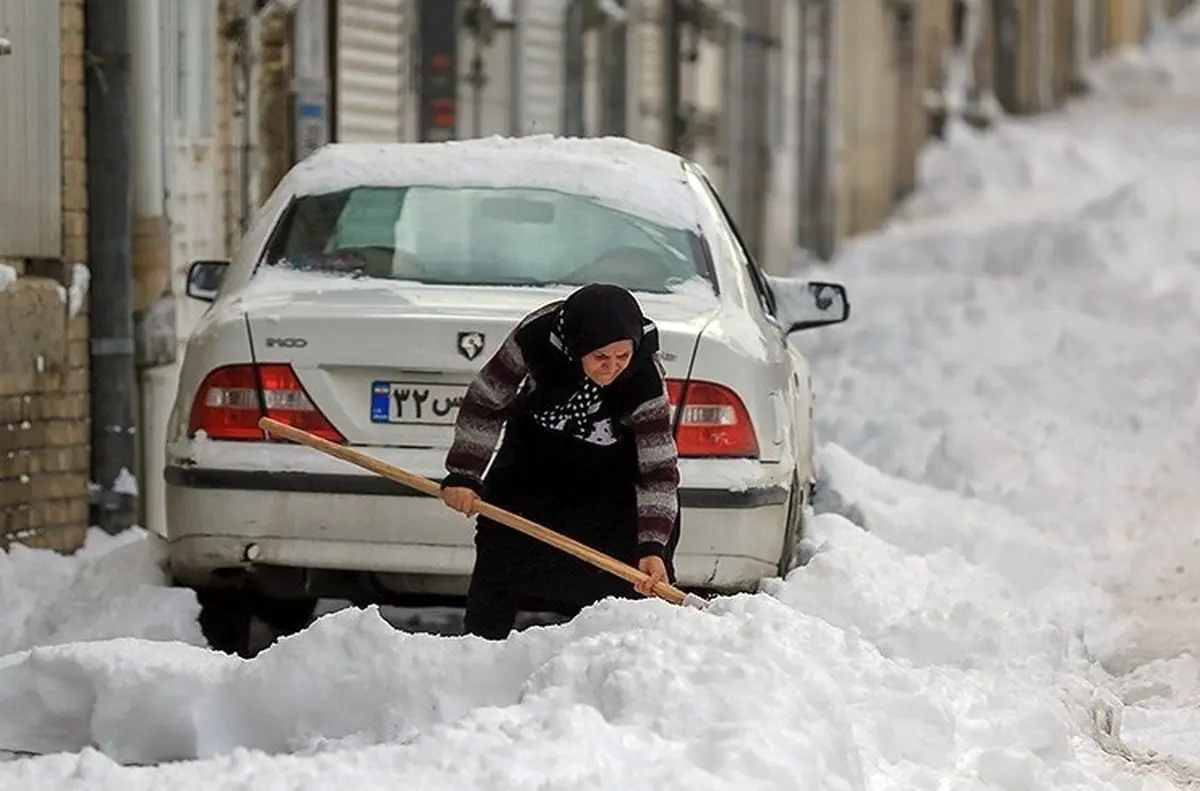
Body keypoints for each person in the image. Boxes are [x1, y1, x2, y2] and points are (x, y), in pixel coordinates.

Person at [440, 283, 682, 640]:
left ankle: (618, 663)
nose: (611, 368)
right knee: (501, 556)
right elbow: (486, 402)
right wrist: (464, 472)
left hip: (611, 478)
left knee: (628, 578)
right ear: (578, 346)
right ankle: (479, 656)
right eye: (601, 357)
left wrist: (652, 546)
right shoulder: (536, 337)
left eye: (622, 356)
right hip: (534, 461)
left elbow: (657, 471)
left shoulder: (644, 378)